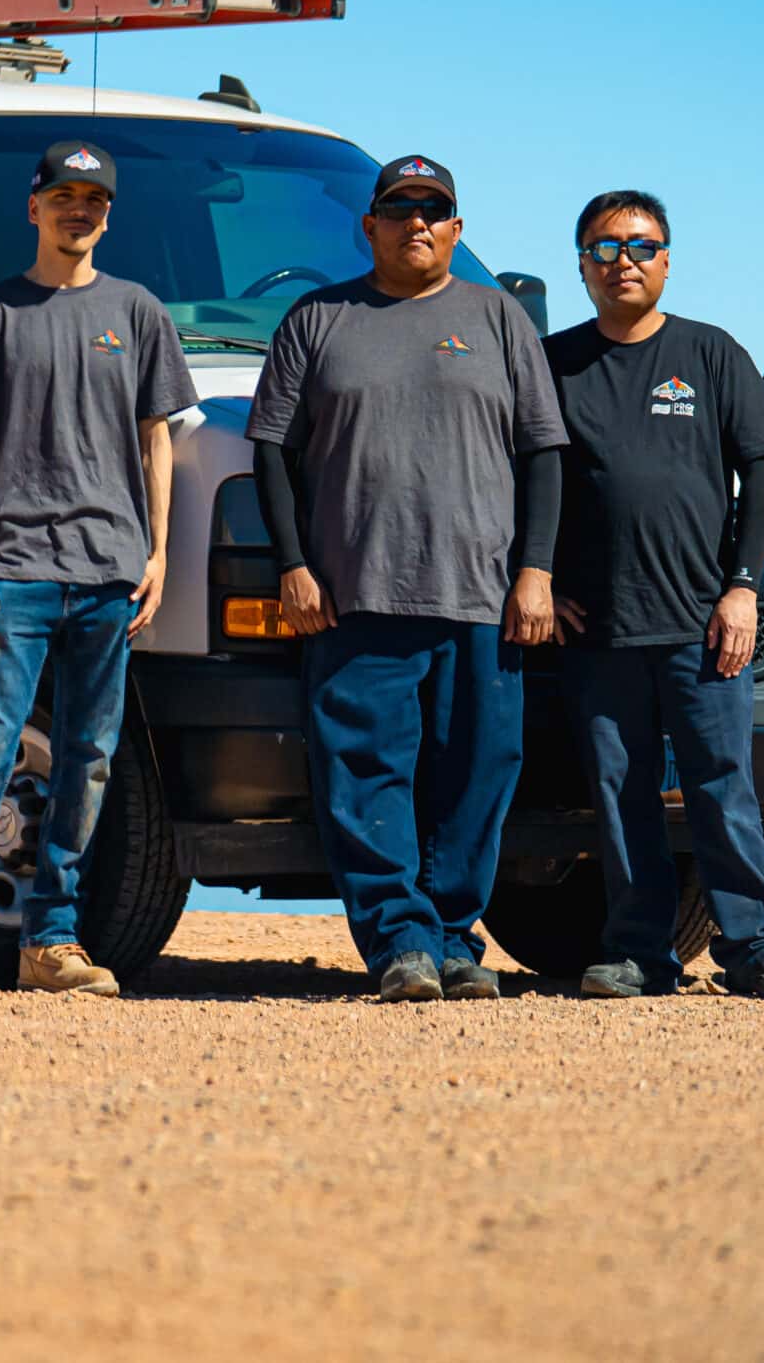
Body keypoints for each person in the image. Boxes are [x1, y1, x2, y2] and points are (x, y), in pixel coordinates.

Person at [248, 156, 567, 1002]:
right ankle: (398, 942)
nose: (416, 222)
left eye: (434, 210)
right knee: (366, 773)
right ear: (371, 225)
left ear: (457, 230)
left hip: (481, 594)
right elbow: (272, 452)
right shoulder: (318, 318)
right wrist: (293, 565)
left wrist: (535, 571)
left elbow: (543, 455)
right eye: (399, 208)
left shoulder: (499, 318)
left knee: (480, 771)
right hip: (357, 593)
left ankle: (454, 936)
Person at [0, 140, 197, 999]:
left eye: (94, 200)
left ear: (109, 214)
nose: (80, 211)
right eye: (64, 196)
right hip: (13, 571)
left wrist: (159, 553)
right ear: (33, 208)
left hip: (109, 573)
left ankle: (52, 941)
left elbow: (157, 440)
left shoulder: (138, 313)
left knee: (89, 759)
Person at [543, 191, 764, 1000]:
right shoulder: (556, 364)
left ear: (666, 258)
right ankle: (640, 953)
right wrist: (542, 577)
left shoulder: (711, 353)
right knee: (620, 793)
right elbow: (528, 482)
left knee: (722, 782)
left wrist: (740, 590)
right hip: (598, 626)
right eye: (603, 248)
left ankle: (757, 948)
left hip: (703, 622)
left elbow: (762, 470)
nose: (622, 260)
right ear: (583, 266)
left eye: (640, 245)